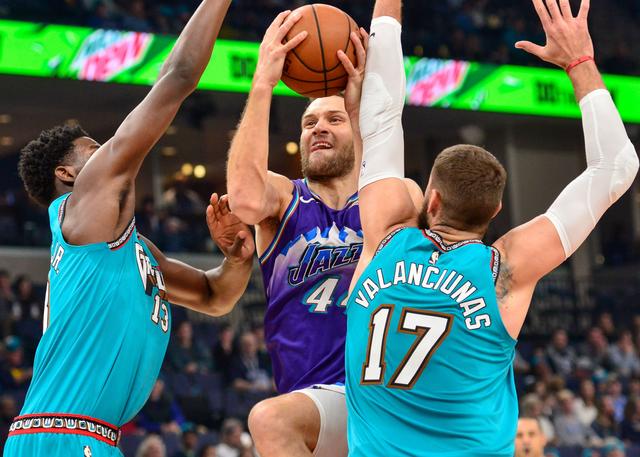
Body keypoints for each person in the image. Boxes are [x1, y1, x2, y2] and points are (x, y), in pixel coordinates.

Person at [345, 0, 639, 455]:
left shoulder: (386, 237)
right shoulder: (506, 269)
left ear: (432, 199)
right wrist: (580, 61)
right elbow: (616, 167)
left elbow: (382, 117)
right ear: (496, 210)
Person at [4, 1, 256, 455]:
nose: (109, 152)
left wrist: (236, 259)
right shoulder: (80, 210)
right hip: (64, 433)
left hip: (89, 434)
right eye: (94, 149)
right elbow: (178, 76)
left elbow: (213, 296)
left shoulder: (132, 250)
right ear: (66, 174)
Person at [226, 8, 420, 457]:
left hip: (384, 393)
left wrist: (361, 111)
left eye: (333, 119)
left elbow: (390, 178)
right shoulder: (284, 199)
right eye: (309, 123)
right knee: (271, 419)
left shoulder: (393, 199)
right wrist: (262, 83)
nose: (318, 129)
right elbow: (245, 199)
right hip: (317, 401)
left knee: (270, 419)